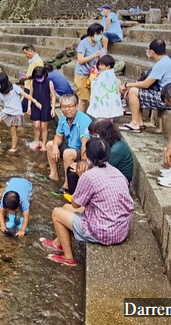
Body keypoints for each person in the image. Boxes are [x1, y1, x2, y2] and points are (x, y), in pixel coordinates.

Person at [42, 138, 134, 266]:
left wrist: (80, 177)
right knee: (65, 207)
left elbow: (76, 204)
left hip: (104, 232)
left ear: (89, 155)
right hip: (121, 229)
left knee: (57, 213)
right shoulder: (116, 171)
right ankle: (58, 243)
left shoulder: (89, 176)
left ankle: (68, 258)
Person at [119, 39, 171, 132]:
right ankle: (139, 122)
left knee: (133, 91)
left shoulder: (162, 64)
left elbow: (146, 84)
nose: (147, 51)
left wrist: (126, 85)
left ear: (152, 52)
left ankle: (134, 123)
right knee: (136, 89)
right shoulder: (166, 61)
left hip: (168, 99)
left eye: (148, 49)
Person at [65, 118, 134, 195]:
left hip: (116, 180)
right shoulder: (107, 143)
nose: (93, 138)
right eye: (92, 135)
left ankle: (77, 203)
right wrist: (82, 165)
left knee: (73, 176)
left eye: (95, 135)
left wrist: (83, 170)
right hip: (103, 170)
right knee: (71, 169)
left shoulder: (116, 150)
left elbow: (102, 167)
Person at [0, 72, 40, 153]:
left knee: (13, 131)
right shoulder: (1, 92)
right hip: (7, 110)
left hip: (16, 112)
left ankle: (14, 148)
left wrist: (35, 101)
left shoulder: (15, 88)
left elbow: (25, 95)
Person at [45, 94, 91, 191]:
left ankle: (67, 185)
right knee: (50, 145)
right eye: (64, 107)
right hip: (70, 146)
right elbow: (58, 136)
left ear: (76, 106)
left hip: (81, 150)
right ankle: (53, 175)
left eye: (70, 106)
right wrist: (55, 147)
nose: (67, 109)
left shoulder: (84, 120)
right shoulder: (63, 119)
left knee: (67, 153)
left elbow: (85, 143)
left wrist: (83, 161)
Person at [74, 24, 106, 112]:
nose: (100, 36)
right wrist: (94, 55)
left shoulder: (97, 43)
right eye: (99, 34)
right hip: (82, 75)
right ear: (94, 33)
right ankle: (80, 120)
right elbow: (80, 60)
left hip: (92, 74)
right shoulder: (83, 43)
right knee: (83, 100)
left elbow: (102, 54)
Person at [28, 66, 56, 151]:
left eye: (40, 77)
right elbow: (30, 94)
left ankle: (44, 144)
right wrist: (29, 106)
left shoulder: (49, 83)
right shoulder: (33, 82)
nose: (39, 78)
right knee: (36, 125)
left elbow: (53, 96)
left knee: (44, 126)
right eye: (37, 77)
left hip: (46, 106)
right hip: (35, 105)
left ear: (45, 75)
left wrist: (53, 108)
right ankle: (37, 142)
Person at [87, 55, 123, 120]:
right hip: (109, 98)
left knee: (104, 111)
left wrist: (93, 81)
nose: (100, 67)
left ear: (108, 66)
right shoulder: (111, 74)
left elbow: (99, 85)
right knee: (110, 111)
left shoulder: (105, 75)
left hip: (104, 97)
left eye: (102, 65)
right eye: (99, 65)